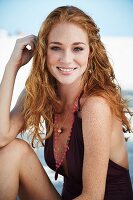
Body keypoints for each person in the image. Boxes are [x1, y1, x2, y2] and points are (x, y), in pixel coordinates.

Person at [0, 5, 133, 200]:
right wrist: (12, 66)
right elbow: (2, 137)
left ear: (91, 52)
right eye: (56, 48)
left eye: (77, 48)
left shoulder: (95, 106)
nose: (66, 59)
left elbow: (93, 196)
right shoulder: (41, 94)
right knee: (12, 151)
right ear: (44, 52)